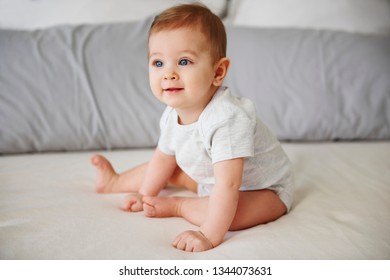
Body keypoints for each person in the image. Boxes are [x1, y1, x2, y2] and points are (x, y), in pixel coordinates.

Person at [91, 3, 293, 252]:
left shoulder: (227, 119)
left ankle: (179, 205)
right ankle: (115, 182)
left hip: (264, 191)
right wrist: (145, 195)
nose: (169, 74)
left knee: (234, 213)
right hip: (210, 178)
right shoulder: (171, 114)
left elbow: (229, 186)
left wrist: (208, 235)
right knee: (167, 168)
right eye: (158, 63)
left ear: (218, 72)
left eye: (184, 61)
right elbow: (163, 158)